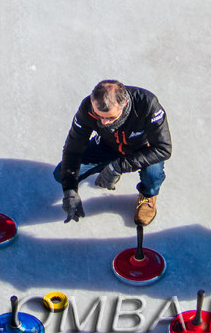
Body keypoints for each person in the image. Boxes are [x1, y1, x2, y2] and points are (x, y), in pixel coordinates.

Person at [56, 79, 171, 228]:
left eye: (110, 117)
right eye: (99, 117)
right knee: (61, 174)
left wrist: (117, 167)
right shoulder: (87, 108)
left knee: (153, 174)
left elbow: (163, 148)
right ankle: (106, 168)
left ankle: (148, 195)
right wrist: (69, 190)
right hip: (107, 145)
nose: (104, 122)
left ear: (125, 104)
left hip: (143, 149)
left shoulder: (147, 104)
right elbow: (73, 148)